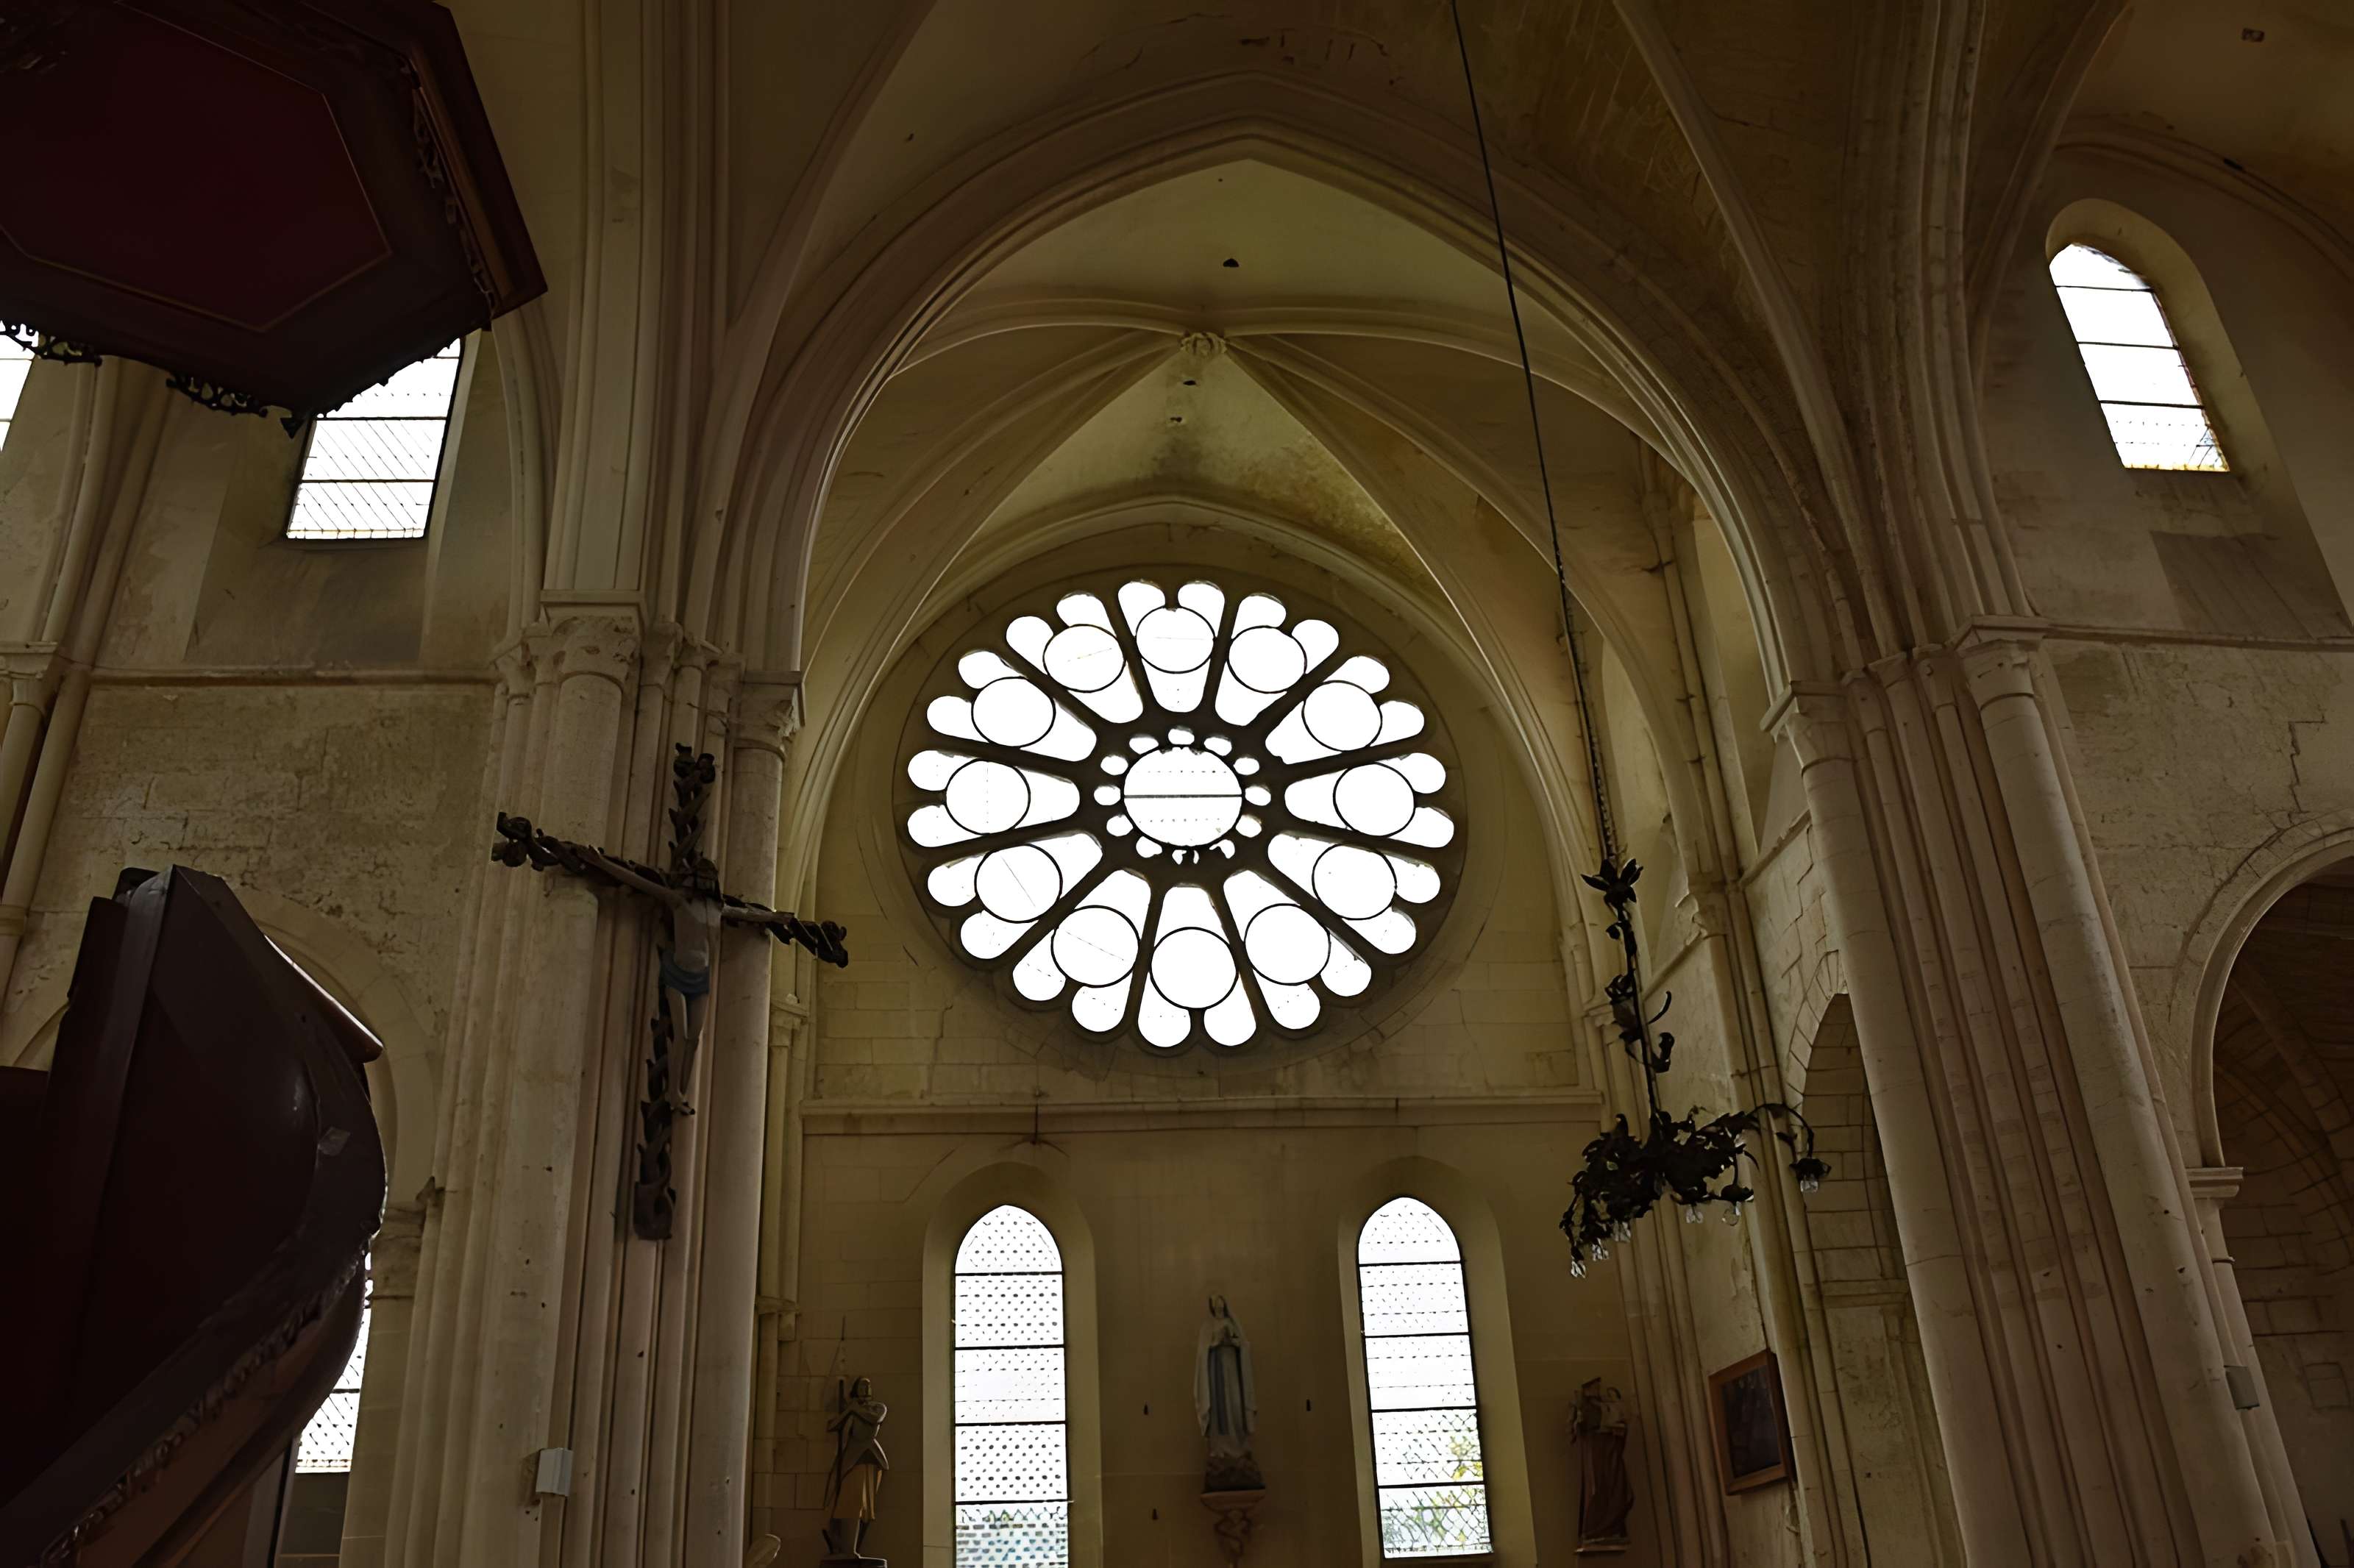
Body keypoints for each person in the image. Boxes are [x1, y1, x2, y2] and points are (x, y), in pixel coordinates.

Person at [822, 1375, 889, 1561]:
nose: (865, 1388)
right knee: (845, 1503)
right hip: (849, 1459)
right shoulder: (852, 1409)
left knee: (856, 1505)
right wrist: (847, 1412)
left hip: (867, 1458)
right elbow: (833, 1426)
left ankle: (850, 1549)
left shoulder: (877, 1407)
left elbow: (874, 1418)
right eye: (861, 1385)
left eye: (868, 1385)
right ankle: (845, 1547)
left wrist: (854, 1410)